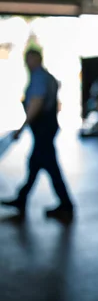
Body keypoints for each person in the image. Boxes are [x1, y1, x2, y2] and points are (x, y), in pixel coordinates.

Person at [1, 48, 74, 217]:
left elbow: (36, 103)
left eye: (30, 59)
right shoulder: (46, 77)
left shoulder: (40, 78)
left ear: (37, 59)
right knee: (36, 164)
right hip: (46, 127)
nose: (27, 62)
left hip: (43, 128)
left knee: (48, 165)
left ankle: (65, 204)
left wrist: (22, 126)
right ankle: (22, 198)